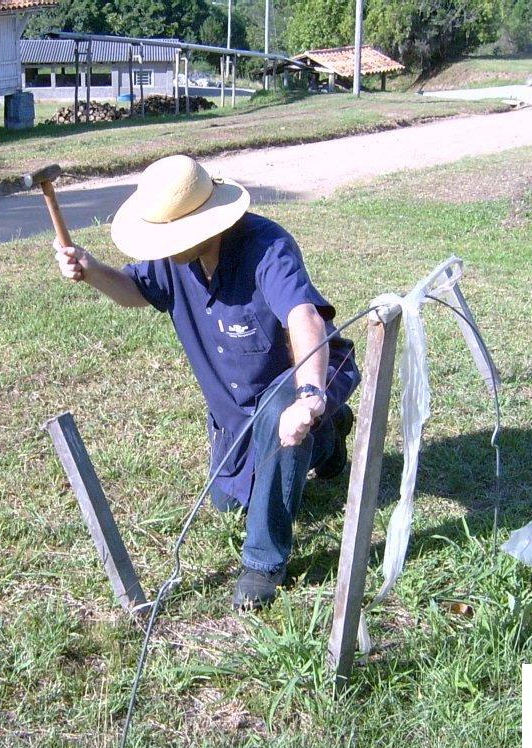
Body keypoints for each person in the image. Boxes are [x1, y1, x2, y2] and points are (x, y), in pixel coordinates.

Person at [52, 155, 360, 610]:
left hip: (299, 374)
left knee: (282, 413)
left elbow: (304, 317)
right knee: (229, 504)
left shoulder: (266, 246)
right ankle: (328, 438)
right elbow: (136, 292)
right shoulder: (174, 260)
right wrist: (93, 270)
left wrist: (310, 396)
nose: (163, 246)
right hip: (236, 410)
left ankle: (263, 562)